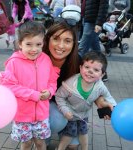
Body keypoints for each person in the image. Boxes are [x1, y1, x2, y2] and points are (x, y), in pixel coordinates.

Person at [43, 20, 114, 150]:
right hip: (43, 104)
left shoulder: (80, 63)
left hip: (69, 107)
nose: (61, 45)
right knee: (56, 120)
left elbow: (94, 84)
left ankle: (62, 130)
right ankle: (43, 137)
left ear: (74, 44)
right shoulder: (37, 58)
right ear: (48, 39)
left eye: (67, 41)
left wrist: (101, 103)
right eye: (56, 39)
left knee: (73, 145)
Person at [0, 20, 59, 150]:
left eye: (38, 44)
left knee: (40, 143)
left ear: (43, 43)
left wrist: (50, 91)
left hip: (42, 114)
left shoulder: (46, 59)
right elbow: (9, 87)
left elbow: (52, 80)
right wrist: (34, 95)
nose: (34, 49)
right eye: (29, 44)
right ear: (20, 44)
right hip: (22, 115)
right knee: (26, 144)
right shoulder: (13, 62)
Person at [55, 51, 117, 150]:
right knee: (70, 133)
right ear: (80, 68)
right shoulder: (69, 84)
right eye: (87, 67)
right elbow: (59, 96)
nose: (90, 71)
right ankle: (60, 148)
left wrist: (113, 108)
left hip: (83, 115)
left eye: (96, 70)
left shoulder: (100, 86)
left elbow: (108, 97)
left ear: (102, 74)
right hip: (70, 114)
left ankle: (85, 148)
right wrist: (65, 110)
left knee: (84, 132)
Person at [78, 0, 109, 82]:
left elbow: (104, 6)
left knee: (82, 48)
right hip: (88, 20)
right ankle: (103, 73)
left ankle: (74, 70)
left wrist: (99, 23)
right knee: (95, 48)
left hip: (93, 22)